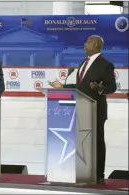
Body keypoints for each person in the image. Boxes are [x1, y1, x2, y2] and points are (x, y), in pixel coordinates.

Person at [48, 35, 117, 184]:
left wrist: (100, 88)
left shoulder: (105, 64)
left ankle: (98, 174)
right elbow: (81, 88)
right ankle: (82, 170)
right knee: (80, 140)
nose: (84, 44)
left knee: (97, 141)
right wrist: (63, 87)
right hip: (80, 108)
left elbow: (112, 87)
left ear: (96, 44)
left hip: (96, 109)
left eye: (87, 42)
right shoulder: (83, 63)